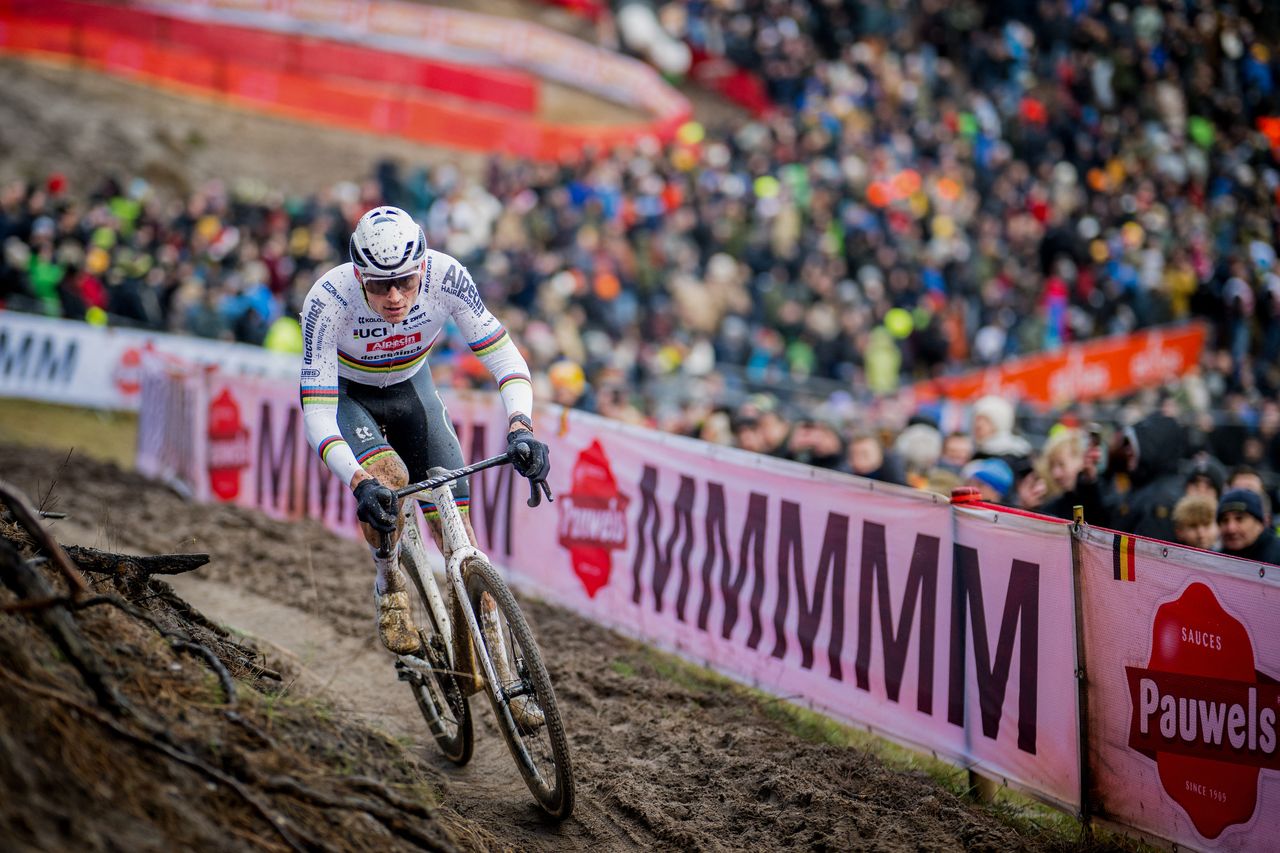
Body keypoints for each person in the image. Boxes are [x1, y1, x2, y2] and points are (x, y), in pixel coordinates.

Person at [299, 206, 551, 656]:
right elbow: (316, 413)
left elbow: (505, 358)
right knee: (390, 482)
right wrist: (359, 483)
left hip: (412, 389)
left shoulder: (447, 277)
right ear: (359, 276)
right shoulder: (328, 299)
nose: (395, 296)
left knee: (460, 529)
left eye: (406, 282)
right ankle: (388, 580)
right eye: (379, 284)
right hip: (350, 395)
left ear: (422, 269)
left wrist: (521, 427)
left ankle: (496, 653)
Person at [1216, 489, 1280, 565]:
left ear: (1260, 524)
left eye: (1239, 519)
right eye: (1224, 520)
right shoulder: (1216, 560)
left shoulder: (1276, 557)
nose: (1231, 529)